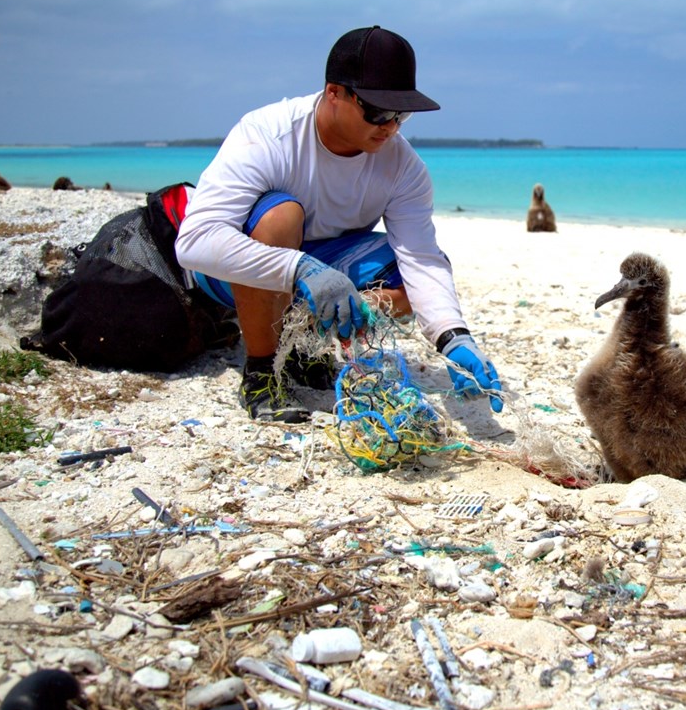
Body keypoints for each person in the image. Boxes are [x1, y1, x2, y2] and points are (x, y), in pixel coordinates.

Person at [175, 25, 502, 423]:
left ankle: (301, 346)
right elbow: (193, 242)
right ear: (334, 92)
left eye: (402, 114)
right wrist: (300, 269)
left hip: (324, 268)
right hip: (238, 270)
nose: (391, 127)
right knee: (281, 215)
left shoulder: (403, 166)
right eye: (378, 111)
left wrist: (453, 337)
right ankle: (261, 371)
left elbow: (421, 257)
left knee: (411, 280)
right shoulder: (268, 134)